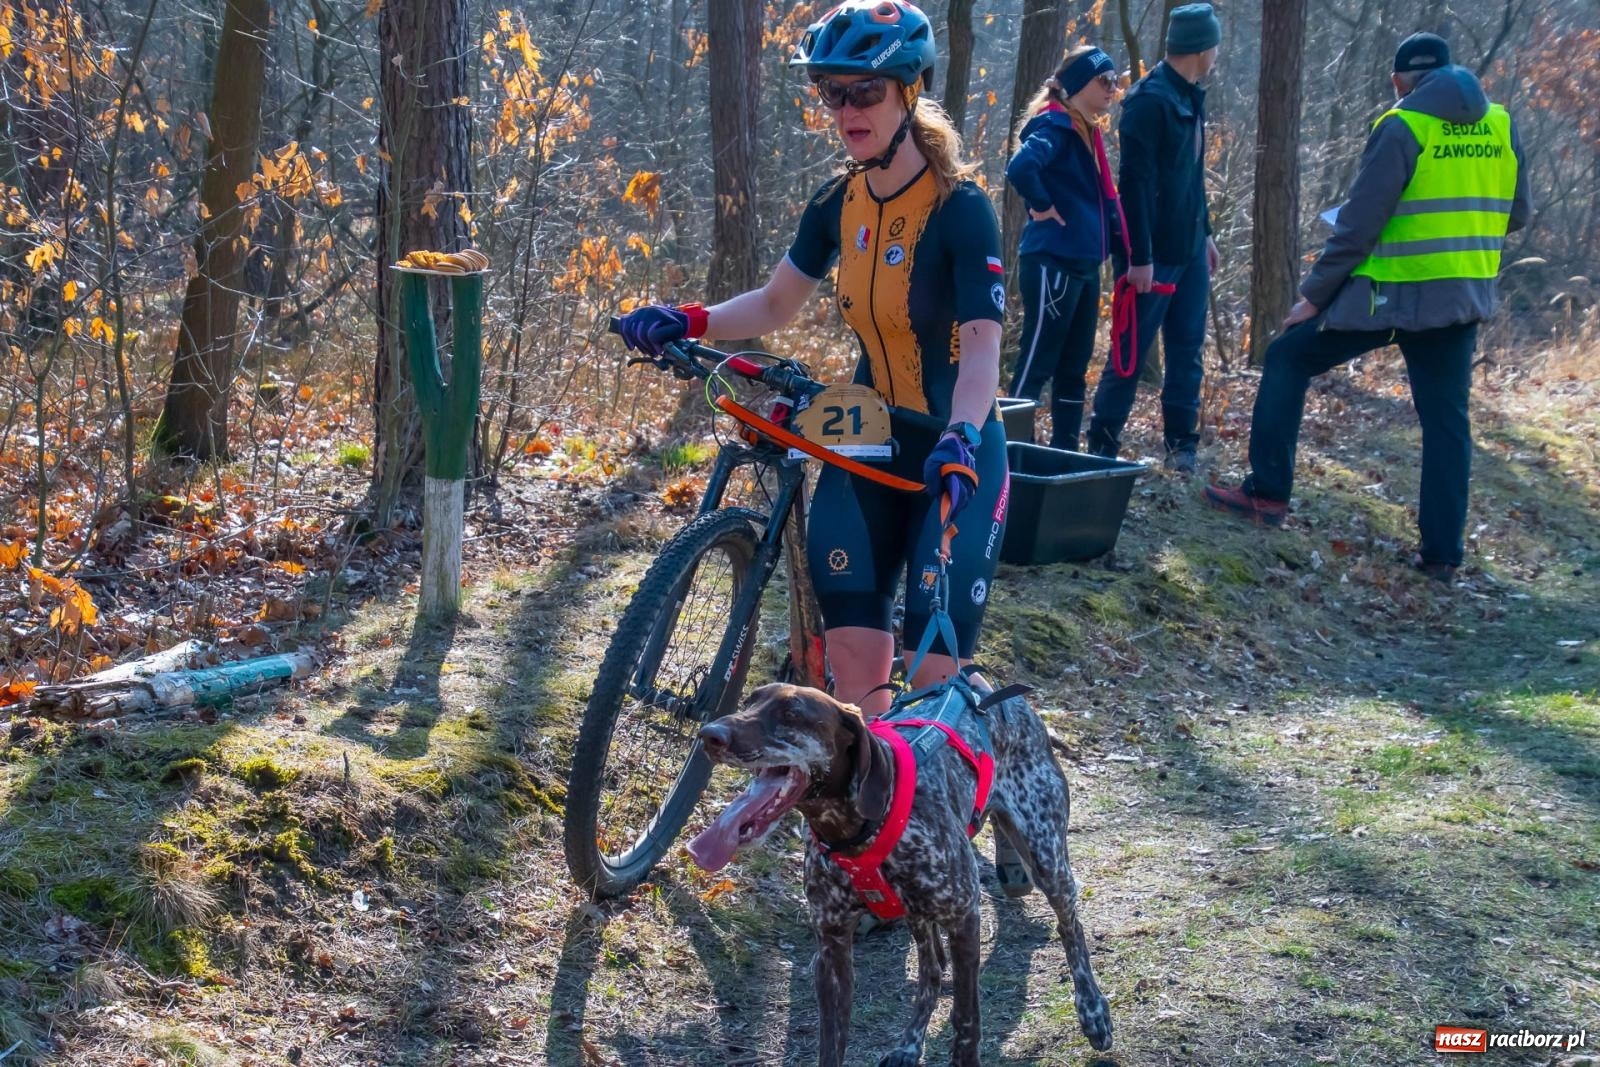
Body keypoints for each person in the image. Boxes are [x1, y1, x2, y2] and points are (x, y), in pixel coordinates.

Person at [618, 0, 1032, 901]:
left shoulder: (961, 213)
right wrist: (684, 317)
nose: (847, 107)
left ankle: (952, 825)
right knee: (853, 664)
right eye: (831, 92)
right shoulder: (837, 201)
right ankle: (877, 837)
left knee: (933, 672)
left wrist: (964, 435)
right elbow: (773, 307)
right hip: (869, 442)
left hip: (955, 453)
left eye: (865, 91)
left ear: (906, 92)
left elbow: (982, 352)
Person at [1203, 32, 1531, 584]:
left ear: (1401, 79)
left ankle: (1266, 494)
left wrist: (1313, 297)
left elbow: (1356, 230)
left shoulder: (1401, 126)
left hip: (1392, 297)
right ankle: (1442, 556)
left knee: (1288, 356)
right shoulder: (1500, 122)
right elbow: (1517, 213)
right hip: (1461, 299)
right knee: (1447, 423)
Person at [1083, 2, 1221, 472]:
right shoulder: (1148, 100)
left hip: (1189, 251)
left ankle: (1181, 446)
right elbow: (1135, 187)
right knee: (1129, 353)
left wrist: (1205, 235)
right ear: (1201, 48)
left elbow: (1193, 177)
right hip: (1151, 257)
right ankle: (1101, 446)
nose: (1218, 52)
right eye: (1215, 44)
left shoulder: (1191, 96)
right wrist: (1139, 257)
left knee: (1188, 351)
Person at [1004, 45, 1124, 452]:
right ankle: (1008, 450)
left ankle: (1064, 454)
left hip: (1085, 266)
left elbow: (1107, 203)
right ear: (1077, 86)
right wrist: (1041, 206)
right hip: (1052, 262)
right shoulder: (1054, 125)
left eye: (1115, 81)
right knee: (1037, 362)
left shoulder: (1086, 132)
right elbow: (1021, 167)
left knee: (1074, 369)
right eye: (1104, 81)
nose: (1112, 88)